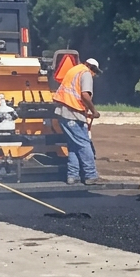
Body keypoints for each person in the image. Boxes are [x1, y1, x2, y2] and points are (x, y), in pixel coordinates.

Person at [52, 56, 102, 185]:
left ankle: (72, 176)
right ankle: (91, 175)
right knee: (85, 144)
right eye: (95, 72)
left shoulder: (73, 70)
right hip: (72, 114)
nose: (94, 75)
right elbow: (85, 95)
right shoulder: (85, 73)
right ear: (92, 68)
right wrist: (94, 111)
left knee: (74, 146)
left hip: (64, 113)